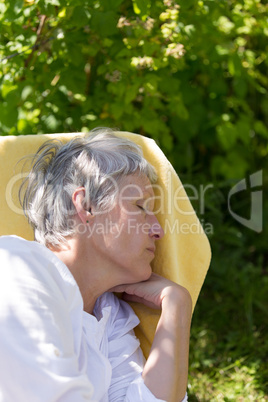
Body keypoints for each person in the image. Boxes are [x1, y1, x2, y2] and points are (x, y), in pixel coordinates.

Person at [0, 128, 192, 402]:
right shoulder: (17, 266)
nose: (158, 229)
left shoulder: (108, 317)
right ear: (87, 205)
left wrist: (177, 305)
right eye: (140, 206)